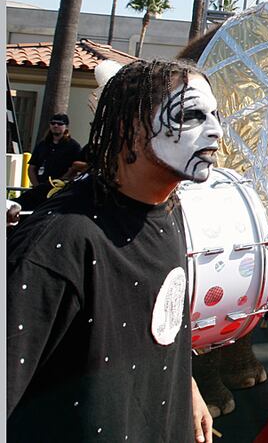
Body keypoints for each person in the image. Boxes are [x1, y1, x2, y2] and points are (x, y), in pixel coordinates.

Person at [7, 59, 219, 442]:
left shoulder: (169, 209)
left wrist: (186, 386)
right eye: (191, 115)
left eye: (214, 115)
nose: (216, 130)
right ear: (129, 129)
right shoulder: (57, 242)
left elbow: (159, 324)